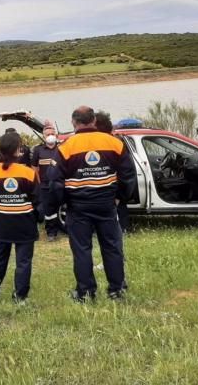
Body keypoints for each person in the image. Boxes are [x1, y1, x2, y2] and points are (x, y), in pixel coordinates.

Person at [46, 106, 136, 302]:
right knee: (112, 247)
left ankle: (85, 292)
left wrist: (63, 202)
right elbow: (129, 175)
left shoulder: (66, 147)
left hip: (78, 206)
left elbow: (54, 182)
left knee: (82, 250)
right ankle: (117, 291)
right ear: (94, 121)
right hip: (106, 203)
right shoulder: (114, 143)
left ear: (74, 123)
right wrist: (120, 197)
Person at [0, 133, 41, 303]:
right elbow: (37, 201)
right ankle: (20, 297)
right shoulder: (28, 173)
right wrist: (37, 218)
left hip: (1, 223)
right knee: (23, 261)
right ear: (17, 150)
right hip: (24, 223)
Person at [31, 125, 61, 241]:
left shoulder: (61, 148)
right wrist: (38, 183)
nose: (50, 136)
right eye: (48, 135)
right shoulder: (38, 150)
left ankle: (64, 228)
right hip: (44, 185)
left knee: (62, 207)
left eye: (52, 134)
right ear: (43, 136)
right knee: (49, 210)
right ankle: (51, 233)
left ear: (56, 135)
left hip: (60, 184)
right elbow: (34, 167)